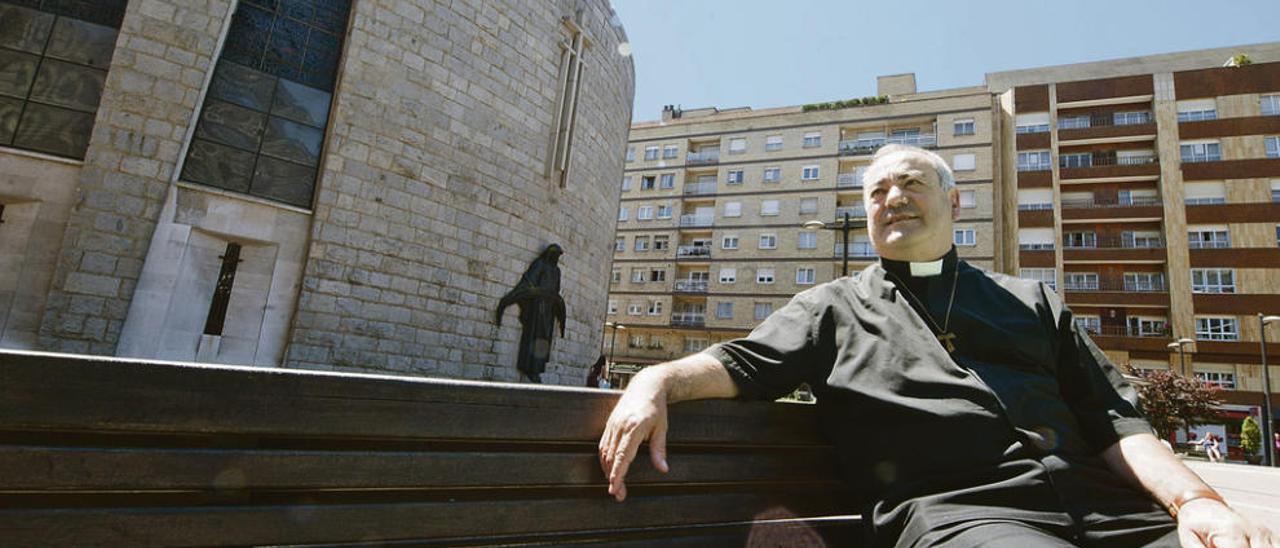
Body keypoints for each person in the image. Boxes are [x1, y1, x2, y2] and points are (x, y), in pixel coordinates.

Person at [598, 145, 1276, 547]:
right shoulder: (830, 307)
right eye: (876, 192)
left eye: (911, 184)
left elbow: (1116, 421)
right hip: (966, 518)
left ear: (955, 201)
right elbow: (743, 363)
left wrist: (1196, 503)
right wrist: (655, 381)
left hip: (1108, 511)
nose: (892, 198)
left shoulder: (1032, 302)